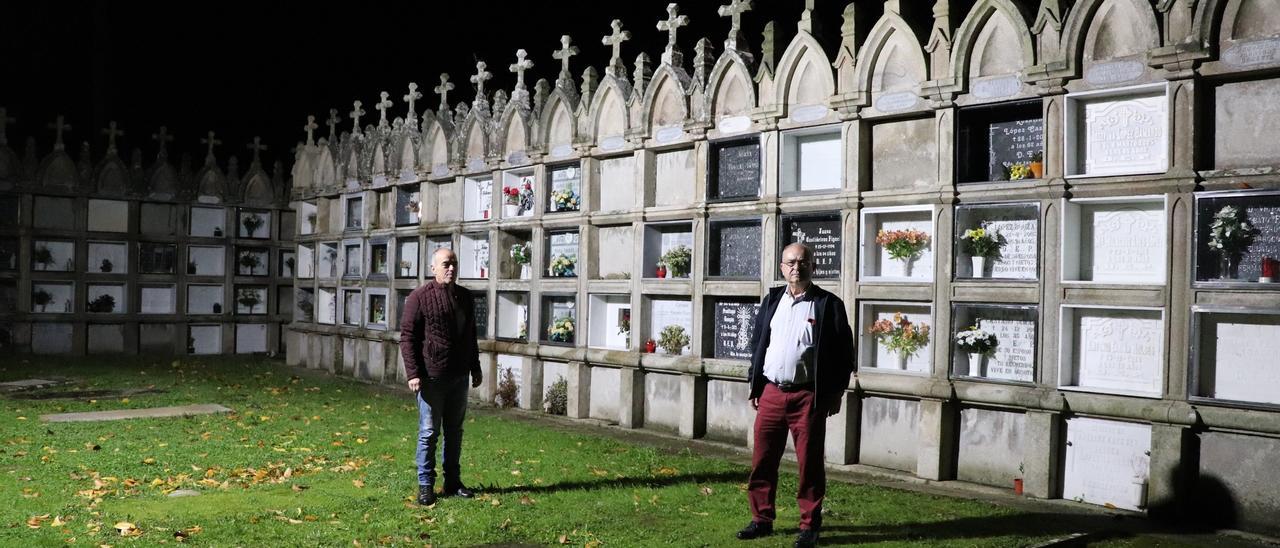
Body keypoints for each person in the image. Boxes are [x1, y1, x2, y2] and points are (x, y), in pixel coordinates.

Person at [736, 243, 854, 548]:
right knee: (762, 460)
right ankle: (761, 520)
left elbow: (845, 354)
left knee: (809, 464)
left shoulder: (828, 304)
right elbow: (759, 343)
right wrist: (755, 384)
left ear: (812, 266)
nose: (796, 268)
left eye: (802, 262)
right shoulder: (773, 300)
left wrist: (836, 393)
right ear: (781, 267)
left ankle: (809, 526)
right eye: (790, 262)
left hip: (807, 397)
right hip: (772, 392)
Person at [400, 247, 483, 506]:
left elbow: (470, 336)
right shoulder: (419, 297)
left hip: (459, 376)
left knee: (454, 431)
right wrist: (413, 373)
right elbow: (407, 337)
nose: (451, 268)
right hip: (431, 377)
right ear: (433, 268)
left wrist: (475, 366)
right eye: (446, 264)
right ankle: (425, 485)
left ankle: (453, 482)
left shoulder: (465, 297)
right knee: (428, 432)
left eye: (454, 264)